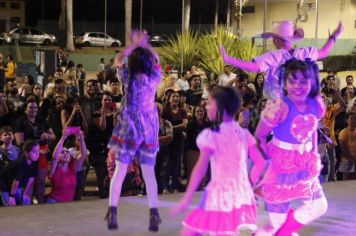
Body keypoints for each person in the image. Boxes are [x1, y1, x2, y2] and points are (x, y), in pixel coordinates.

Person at [171, 86, 266, 236]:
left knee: (190, 231)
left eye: (209, 103)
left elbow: (200, 170)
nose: (206, 107)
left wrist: (186, 198)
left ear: (220, 107)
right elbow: (260, 162)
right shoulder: (244, 133)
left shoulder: (211, 135)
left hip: (219, 195)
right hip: (242, 195)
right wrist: (249, 185)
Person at [254, 59, 327, 235]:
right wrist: (266, 164)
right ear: (284, 84)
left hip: (304, 162)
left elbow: (313, 129)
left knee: (319, 205)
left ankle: (282, 231)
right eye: (292, 81)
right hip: (279, 164)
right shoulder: (279, 107)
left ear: (311, 82)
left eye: (303, 81)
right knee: (277, 223)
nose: (298, 86)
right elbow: (259, 136)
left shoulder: (315, 104)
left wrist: (314, 155)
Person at [105, 30, 162, 232]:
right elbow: (157, 58)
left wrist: (133, 45)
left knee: (120, 171)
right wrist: (145, 44)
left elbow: (118, 58)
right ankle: (154, 213)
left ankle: (112, 210)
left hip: (129, 128)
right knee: (148, 172)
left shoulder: (127, 77)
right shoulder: (154, 77)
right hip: (148, 129)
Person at [221, 20, 343, 100]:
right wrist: (334, 36)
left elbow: (255, 67)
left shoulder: (275, 56)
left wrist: (230, 59)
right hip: (301, 105)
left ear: (276, 40)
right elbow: (324, 52)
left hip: (278, 108)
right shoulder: (305, 52)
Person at [47, 127, 86, 203]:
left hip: (68, 204)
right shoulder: (54, 169)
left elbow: (83, 154)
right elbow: (54, 158)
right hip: (54, 202)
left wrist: (81, 138)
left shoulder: (72, 168)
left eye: (67, 152)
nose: (65, 153)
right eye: (62, 152)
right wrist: (63, 138)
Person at [0, 140, 39, 206]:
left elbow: (31, 178)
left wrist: (25, 193)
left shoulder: (35, 160)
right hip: (4, 183)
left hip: (15, 184)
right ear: (26, 153)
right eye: (34, 152)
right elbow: (16, 181)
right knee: (10, 205)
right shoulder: (21, 163)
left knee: (26, 201)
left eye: (38, 151)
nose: (37, 154)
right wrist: (12, 196)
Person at [338, 112, 356, 180]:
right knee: (346, 182)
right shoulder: (343, 132)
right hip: (346, 160)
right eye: (351, 118)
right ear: (346, 120)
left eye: (355, 119)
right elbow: (343, 149)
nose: (353, 120)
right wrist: (352, 159)